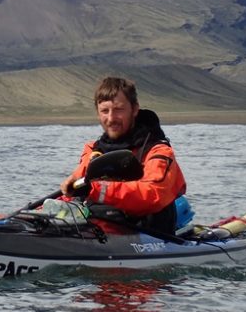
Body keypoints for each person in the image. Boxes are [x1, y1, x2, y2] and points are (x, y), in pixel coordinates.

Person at [60, 76, 187, 233]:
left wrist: (97, 190)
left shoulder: (158, 151)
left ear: (134, 110)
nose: (111, 118)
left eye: (119, 110)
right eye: (105, 111)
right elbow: (76, 192)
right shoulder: (93, 151)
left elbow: (153, 195)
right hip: (102, 232)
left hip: (147, 236)